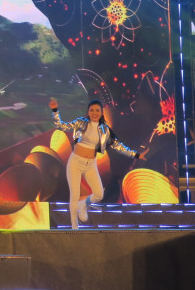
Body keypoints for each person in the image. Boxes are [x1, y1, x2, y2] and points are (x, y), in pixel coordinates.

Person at [50, 98, 147, 229]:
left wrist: (136, 155)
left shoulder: (104, 130)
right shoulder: (80, 123)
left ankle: (82, 205)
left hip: (90, 164)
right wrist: (55, 111)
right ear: (88, 112)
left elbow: (118, 146)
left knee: (99, 194)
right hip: (76, 162)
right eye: (92, 110)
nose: (95, 113)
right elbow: (62, 126)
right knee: (75, 194)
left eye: (97, 111)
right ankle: (74, 225)